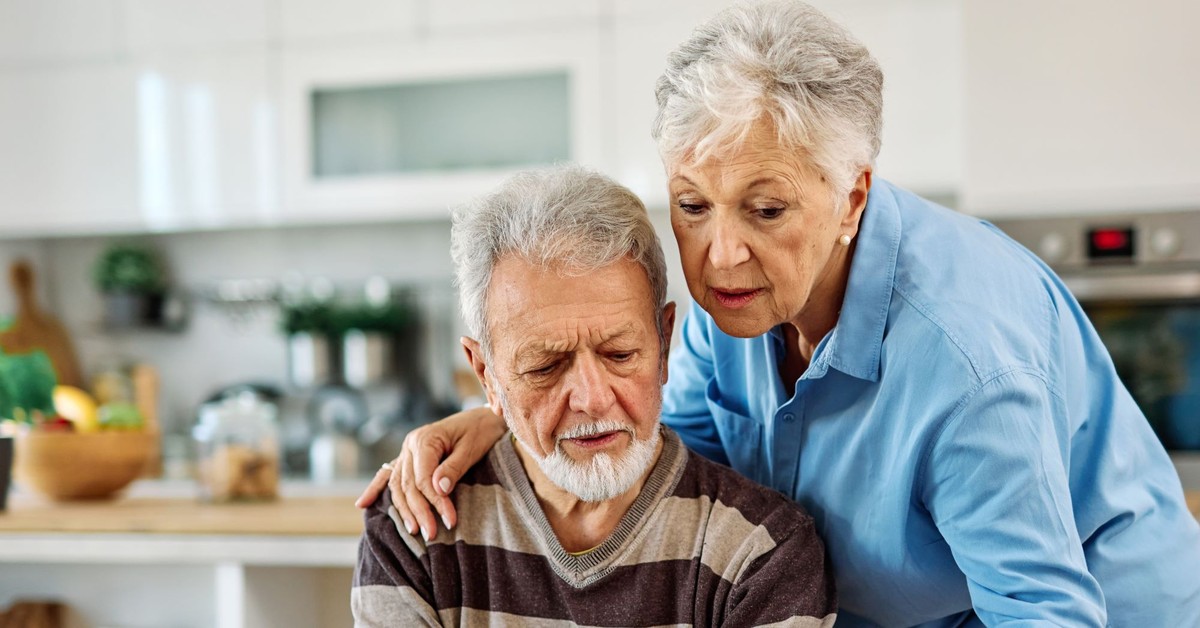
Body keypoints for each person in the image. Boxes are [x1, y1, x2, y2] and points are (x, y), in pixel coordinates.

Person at [357, 1, 1200, 625]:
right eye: (692, 206)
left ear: (851, 196)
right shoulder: (733, 310)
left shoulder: (964, 361)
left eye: (765, 210)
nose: (719, 254)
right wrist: (505, 417)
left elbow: (1045, 611)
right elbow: (655, 457)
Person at [352, 166, 837, 627]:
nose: (592, 397)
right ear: (487, 374)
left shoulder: (761, 551)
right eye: (545, 366)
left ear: (664, 345)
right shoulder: (414, 528)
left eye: (620, 354)